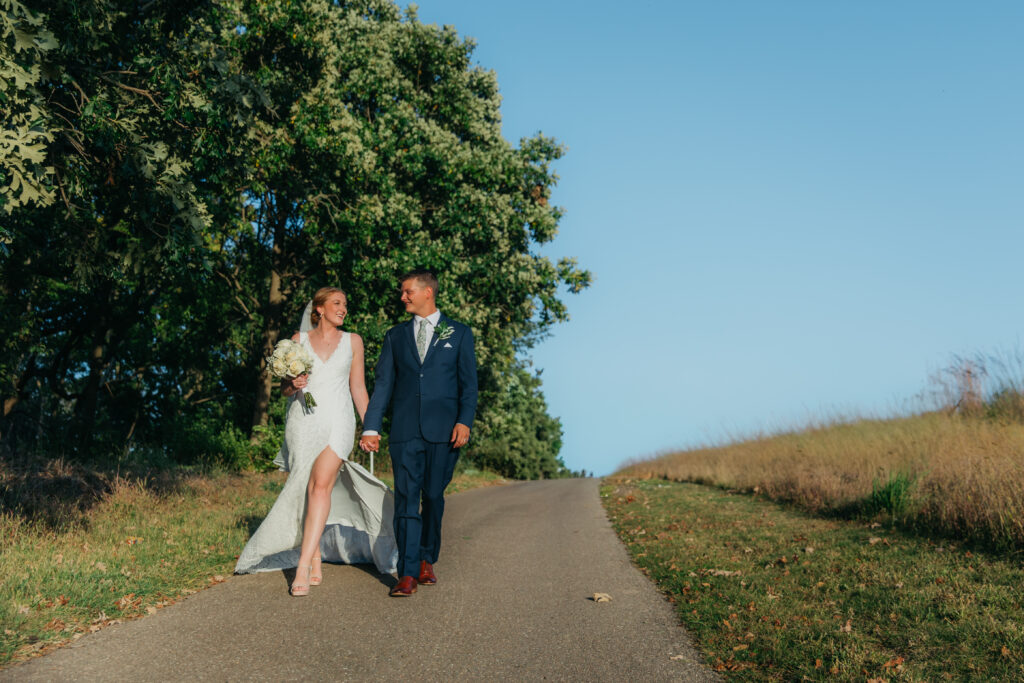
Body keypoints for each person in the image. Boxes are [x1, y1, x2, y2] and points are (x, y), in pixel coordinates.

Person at [235, 287, 398, 596]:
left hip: (339, 422)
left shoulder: (353, 341)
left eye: (345, 304)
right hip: (303, 421)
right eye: (337, 303)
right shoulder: (298, 341)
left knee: (320, 486)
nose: (343, 308)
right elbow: (285, 390)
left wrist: (371, 428)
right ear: (319, 308)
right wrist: (293, 383)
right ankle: (315, 554)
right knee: (304, 486)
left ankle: (302, 567)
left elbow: (358, 388)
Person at [360, 269, 478, 597]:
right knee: (406, 500)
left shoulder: (459, 333)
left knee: (434, 497)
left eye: (407, 291)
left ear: (428, 292)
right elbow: (383, 384)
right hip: (405, 430)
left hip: (445, 431)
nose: (402, 297)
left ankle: (428, 557)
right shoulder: (395, 336)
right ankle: (408, 572)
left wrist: (464, 421)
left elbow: (469, 385)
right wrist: (371, 426)